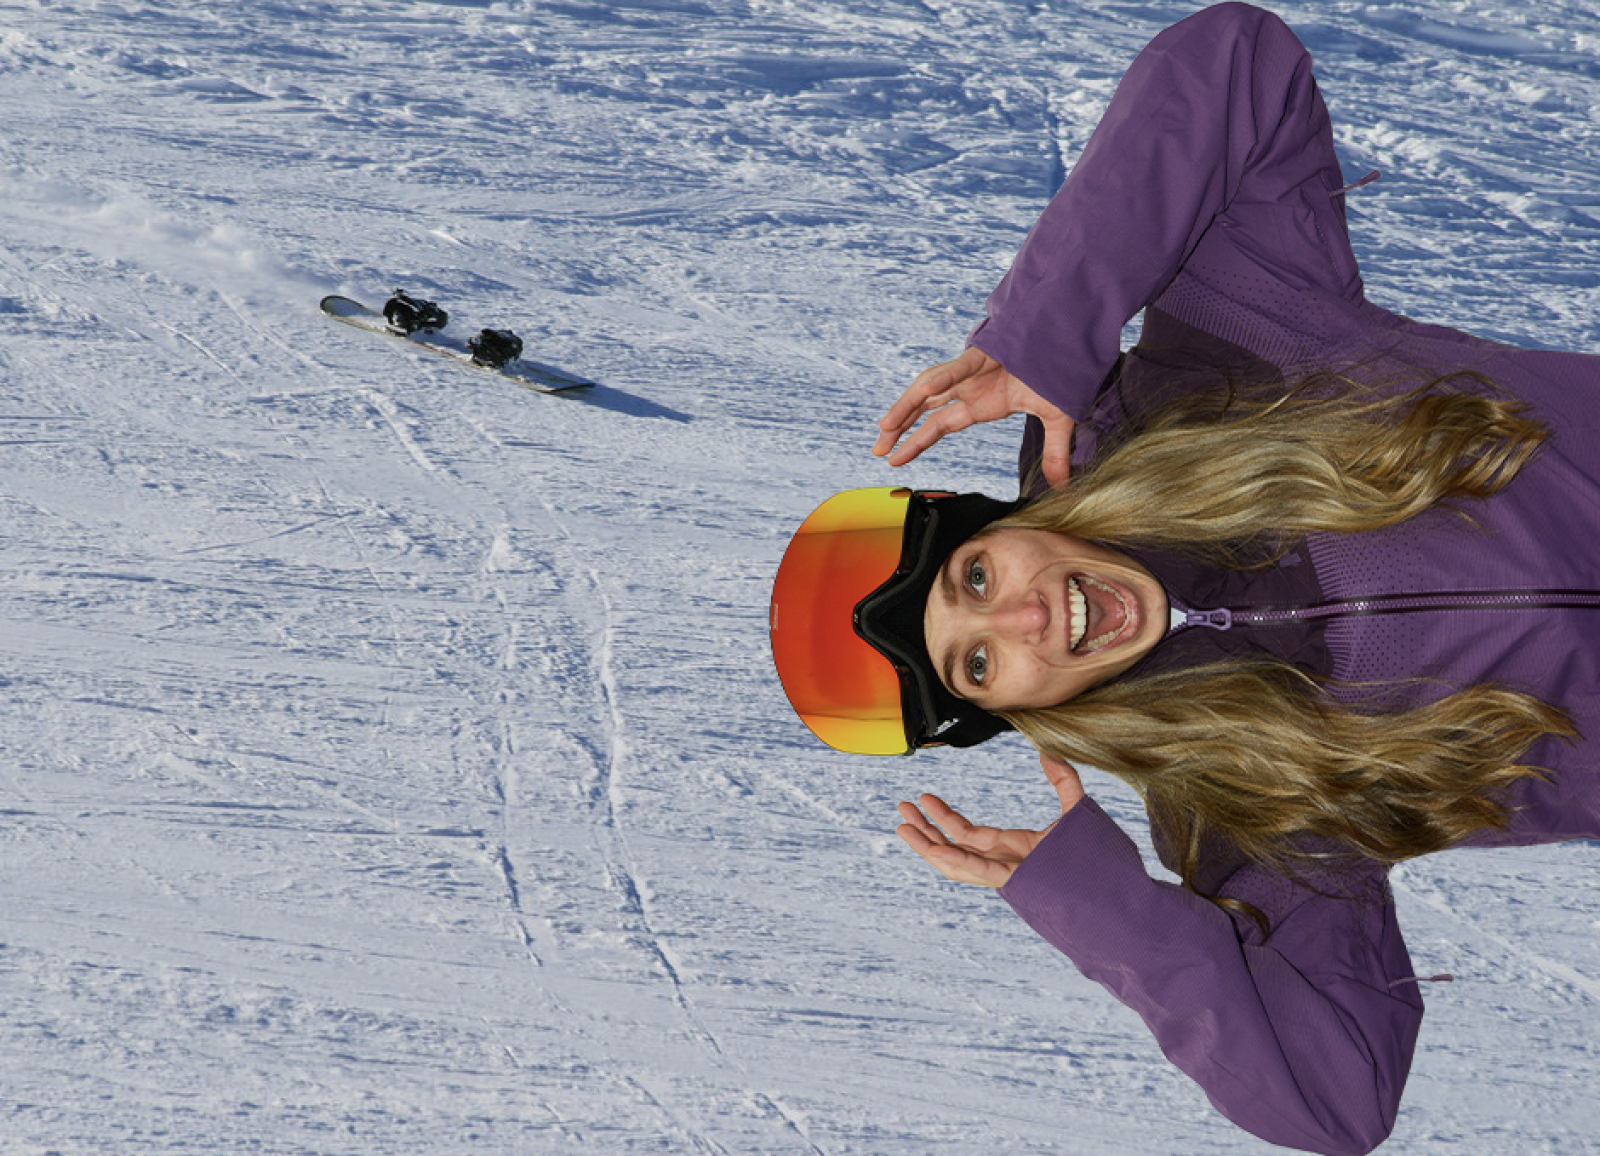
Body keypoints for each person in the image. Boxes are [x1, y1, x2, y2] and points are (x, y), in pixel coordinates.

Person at [767, 5, 1600, 1155]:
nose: (1026, 617)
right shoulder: (1245, 815)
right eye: (978, 658)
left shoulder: (1223, 367)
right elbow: (1334, 1101)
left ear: (1006, 518)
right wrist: (1104, 910)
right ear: (1008, 709)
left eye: (973, 571)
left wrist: (1047, 328)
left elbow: (1236, 63)